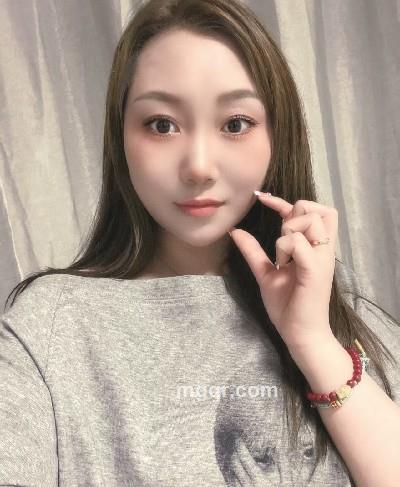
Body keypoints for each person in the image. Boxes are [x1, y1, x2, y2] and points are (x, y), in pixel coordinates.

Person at [1, 0, 400, 485]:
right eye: (162, 124)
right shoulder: (52, 327)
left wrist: (312, 339)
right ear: (120, 138)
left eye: (235, 124)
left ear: (277, 137)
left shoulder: (332, 300)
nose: (198, 167)